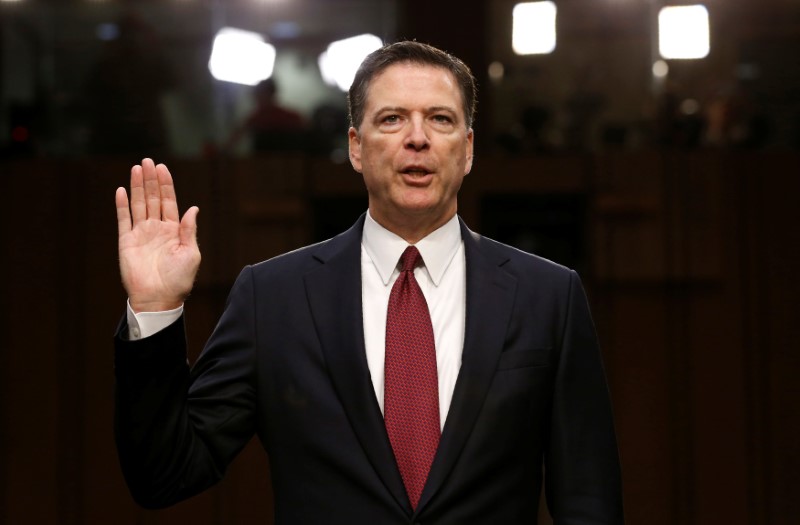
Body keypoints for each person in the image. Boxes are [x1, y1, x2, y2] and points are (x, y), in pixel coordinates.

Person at [114, 41, 624, 524]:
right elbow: (166, 475)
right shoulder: (272, 297)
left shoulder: (548, 296)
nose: (417, 137)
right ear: (355, 147)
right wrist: (156, 309)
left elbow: (589, 500)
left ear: (467, 149)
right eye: (392, 119)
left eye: (440, 119)